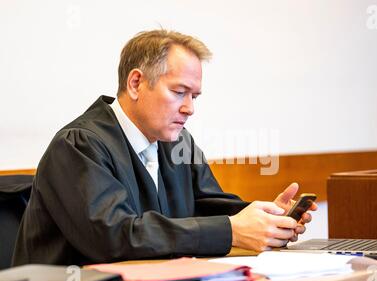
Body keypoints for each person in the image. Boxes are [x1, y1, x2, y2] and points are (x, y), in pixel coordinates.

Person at [12, 30, 316, 266]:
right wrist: (233, 230)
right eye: (179, 92)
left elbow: (207, 205)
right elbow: (115, 237)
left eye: (195, 96)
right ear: (135, 83)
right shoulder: (79, 145)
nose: (189, 109)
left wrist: (265, 219)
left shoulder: (178, 143)